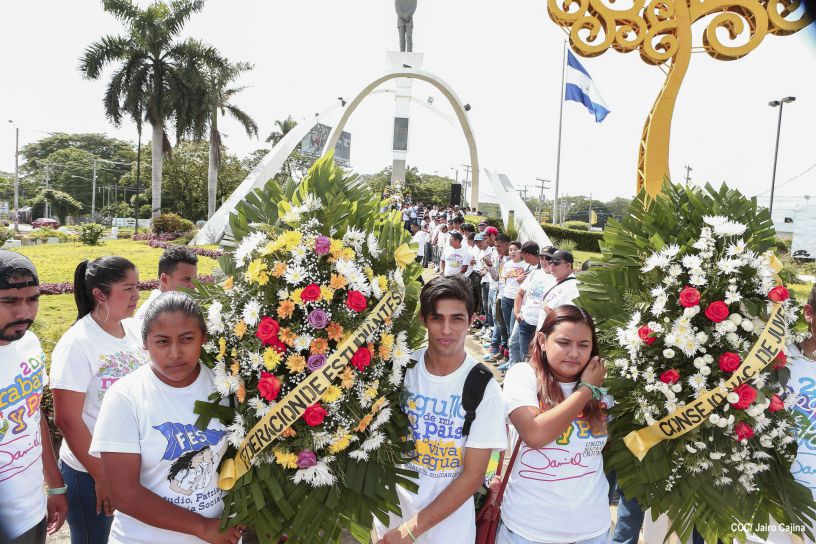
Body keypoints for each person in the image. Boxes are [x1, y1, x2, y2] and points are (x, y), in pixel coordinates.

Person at [90, 292, 241, 544]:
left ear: (203, 337)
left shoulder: (226, 385)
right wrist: (202, 527)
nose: (175, 353)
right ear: (145, 342)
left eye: (187, 339)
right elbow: (124, 494)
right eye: (162, 341)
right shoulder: (125, 397)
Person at [376, 276, 506, 543]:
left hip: (448, 532)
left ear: (471, 320)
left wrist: (410, 531)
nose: (447, 329)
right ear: (423, 320)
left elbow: (473, 476)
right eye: (437, 318)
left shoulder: (484, 387)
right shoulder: (400, 369)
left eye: (457, 318)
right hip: (390, 520)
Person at [51, 256, 150, 543]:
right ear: (99, 294)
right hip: (90, 473)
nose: (137, 295)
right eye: (128, 288)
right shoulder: (77, 343)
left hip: (129, 468)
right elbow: (67, 419)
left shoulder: (133, 330)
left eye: (138, 286)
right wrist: (101, 475)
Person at [499, 305, 609, 544]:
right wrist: (586, 390)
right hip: (528, 530)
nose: (574, 353)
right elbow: (535, 434)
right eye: (564, 342)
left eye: (584, 345)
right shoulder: (523, 376)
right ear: (542, 341)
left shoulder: (604, 386)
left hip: (593, 529)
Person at [0, 251, 67, 543]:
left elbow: (33, 414)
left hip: (33, 512)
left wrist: (54, 485)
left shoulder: (29, 343)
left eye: (33, 299)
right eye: (9, 301)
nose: (25, 312)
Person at [131, 246, 198, 329]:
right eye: (186, 279)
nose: (193, 286)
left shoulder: (174, 308)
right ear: (164, 279)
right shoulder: (155, 316)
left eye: (195, 280)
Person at [500, 242, 539, 369]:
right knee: (513, 340)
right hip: (521, 311)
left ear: (527, 254)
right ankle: (512, 365)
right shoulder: (529, 267)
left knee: (525, 348)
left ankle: (519, 369)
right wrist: (517, 312)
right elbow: (520, 292)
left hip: (531, 315)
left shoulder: (539, 270)